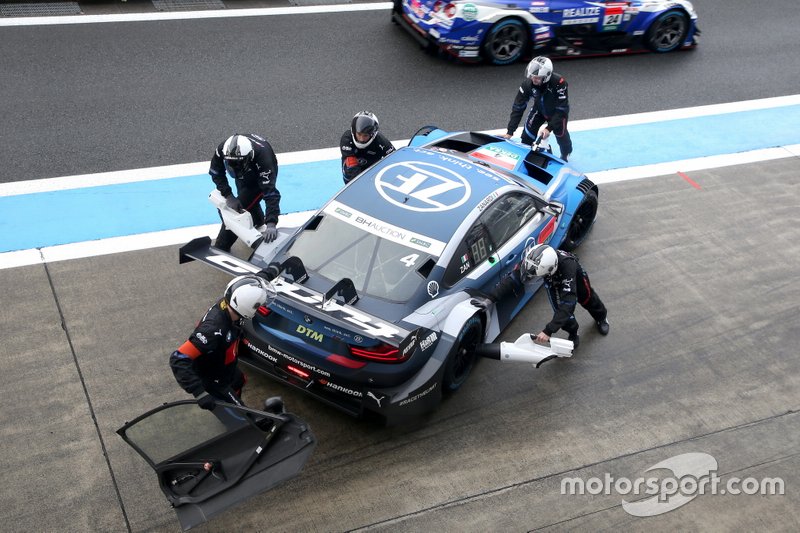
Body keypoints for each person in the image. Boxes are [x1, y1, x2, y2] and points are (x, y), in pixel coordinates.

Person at [169, 274, 283, 413]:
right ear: (247, 307)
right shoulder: (213, 330)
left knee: (239, 380)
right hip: (214, 381)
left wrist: (274, 270)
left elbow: (248, 287)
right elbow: (178, 358)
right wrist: (199, 393)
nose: (259, 309)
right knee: (244, 417)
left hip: (225, 368)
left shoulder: (232, 302)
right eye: (258, 306)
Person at [524, 244, 609, 349]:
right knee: (559, 310)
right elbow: (516, 276)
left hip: (575, 276)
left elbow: (568, 303)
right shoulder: (536, 260)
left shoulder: (569, 266)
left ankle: (601, 317)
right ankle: (573, 331)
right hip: (552, 280)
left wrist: (549, 330)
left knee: (587, 298)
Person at [210, 133, 281, 252]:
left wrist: (271, 222)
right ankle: (258, 220)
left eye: (238, 164)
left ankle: (222, 246)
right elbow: (216, 172)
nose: (235, 167)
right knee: (243, 198)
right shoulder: (222, 150)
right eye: (231, 164)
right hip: (245, 168)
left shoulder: (265, 161)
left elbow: (271, 193)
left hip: (259, 171)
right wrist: (229, 195)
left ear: (249, 157)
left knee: (236, 211)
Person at [501, 56, 573, 161]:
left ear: (547, 76)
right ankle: (528, 157)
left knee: (561, 135)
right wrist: (510, 131)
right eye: (532, 76)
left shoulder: (559, 83)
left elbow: (562, 109)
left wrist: (549, 128)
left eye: (538, 77)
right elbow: (518, 107)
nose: (534, 79)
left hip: (557, 113)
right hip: (539, 110)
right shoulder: (527, 84)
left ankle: (566, 153)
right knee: (526, 137)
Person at [340, 111, 395, 184]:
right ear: (354, 131)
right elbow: (352, 168)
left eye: (365, 135)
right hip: (353, 171)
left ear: (372, 134)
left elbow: (394, 159)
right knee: (349, 166)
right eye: (359, 134)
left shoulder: (381, 141)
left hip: (373, 170)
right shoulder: (347, 138)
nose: (361, 139)